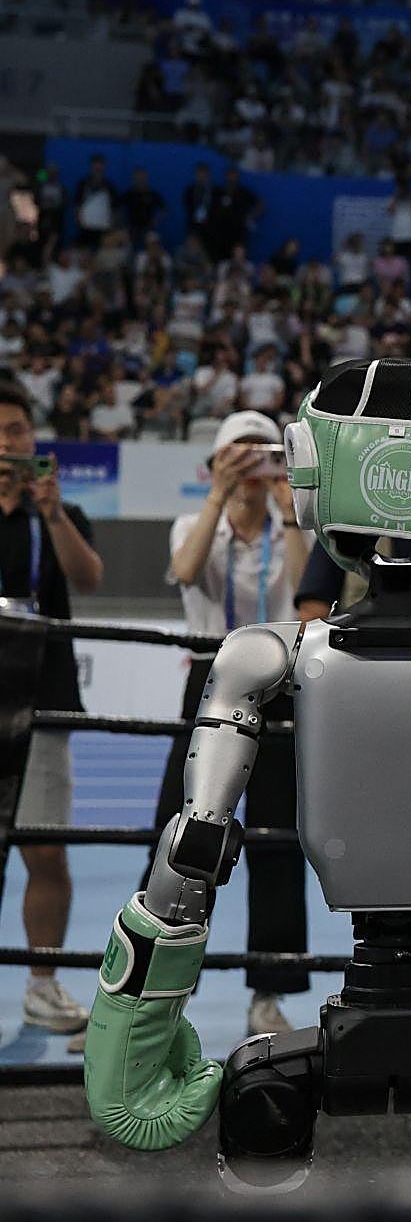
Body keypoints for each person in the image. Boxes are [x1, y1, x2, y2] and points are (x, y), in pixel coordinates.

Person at [153, 410, 311, 1039]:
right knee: (182, 834)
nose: (250, 461)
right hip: (210, 678)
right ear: (215, 461)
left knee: (275, 840)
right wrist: (218, 495)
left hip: (280, 682)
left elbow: (307, 601)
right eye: (236, 452)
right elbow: (188, 574)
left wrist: (290, 511)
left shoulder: (291, 527)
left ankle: (269, 993)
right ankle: (157, 984)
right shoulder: (193, 525)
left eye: (262, 450)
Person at [0, 379, 103, 1045]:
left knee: (45, 853)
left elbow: (89, 578)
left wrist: (52, 513)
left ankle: (41, 988)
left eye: (16, 430)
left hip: (42, 698)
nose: (7, 441)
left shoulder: (61, 511)